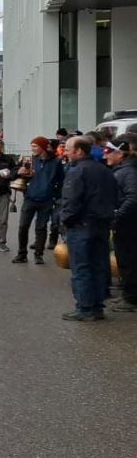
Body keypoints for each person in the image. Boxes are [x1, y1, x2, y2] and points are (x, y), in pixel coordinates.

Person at [59, 136, 118, 321]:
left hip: (81, 226)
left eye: (68, 149)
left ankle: (85, 308)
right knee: (99, 266)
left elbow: (72, 201)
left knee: (82, 268)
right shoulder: (105, 170)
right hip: (102, 225)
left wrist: (64, 219)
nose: (65, 153)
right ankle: (97, 306)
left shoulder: (77, 172)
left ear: (79, 151)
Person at [12, 136, 65, 264]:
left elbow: (61, 180)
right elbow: (14, 173)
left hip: (46, 199)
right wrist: (19, 172)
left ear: (42, 147)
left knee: (41, 228)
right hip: (29, 198)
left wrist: (55, 196)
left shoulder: (56, 162)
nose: (32, 149)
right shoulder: (29, 159)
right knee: (23, 226)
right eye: (32, 146)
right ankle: (22, 253)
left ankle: (38, 254)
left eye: (35, 146)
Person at [107, 137, 137, 313]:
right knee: (125, 260)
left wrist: (118, 216)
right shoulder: (125, 170)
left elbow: (133, 197)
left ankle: (132, 297)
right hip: (127, 224)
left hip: (129, 226)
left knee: (129, 260)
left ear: (120, 152)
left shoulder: (129, 171)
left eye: (108, 151)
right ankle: (129, 293)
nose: (105, 155)